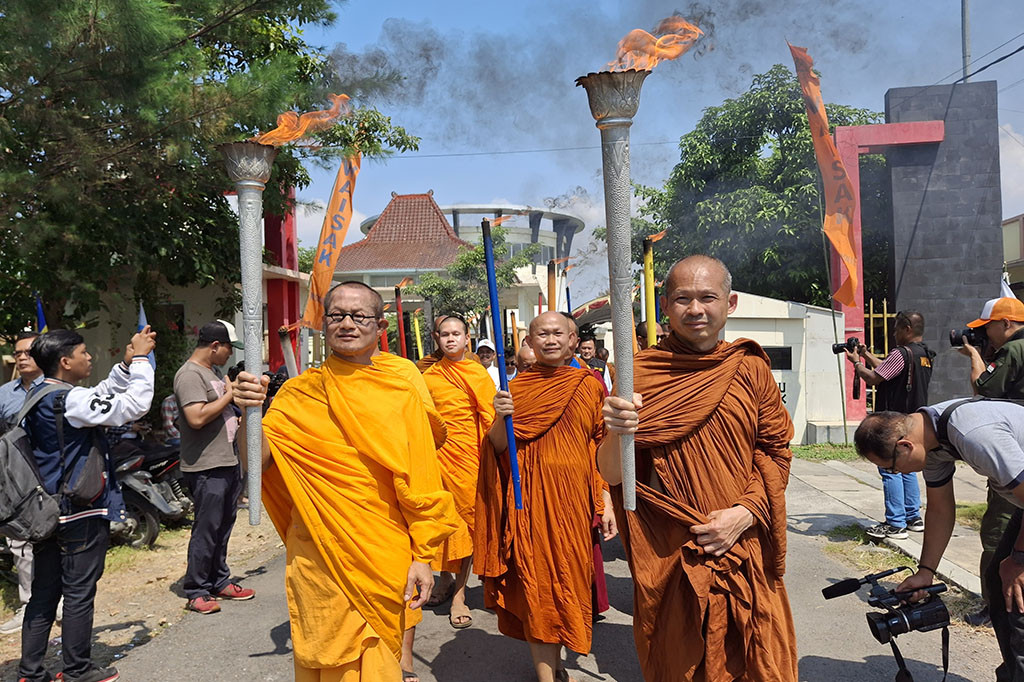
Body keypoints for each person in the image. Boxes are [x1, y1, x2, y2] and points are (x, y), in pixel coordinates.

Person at [232, 281, 460, 681]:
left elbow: (422, 480)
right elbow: (257, 463)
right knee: (326, 660)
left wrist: (423, 556)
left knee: (379, 661)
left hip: (382, 548)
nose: (347, 324)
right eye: (337, 315)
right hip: (318, 552)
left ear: (380, 325)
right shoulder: (298, 395)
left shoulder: (400, 390)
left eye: (359, 316)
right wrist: (248, 413)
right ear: (324, 324)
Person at [600, 255, 797, 682]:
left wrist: (742, 514)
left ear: (731, 303)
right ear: (665, 306)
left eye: (708, 297)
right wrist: (617, 431)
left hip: (741, 541)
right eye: (683, 299)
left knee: (756, 658)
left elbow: (776, 454)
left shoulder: (751, 369)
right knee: (681, 663)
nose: (696, 310)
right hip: (672, 549)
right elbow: (614, 475)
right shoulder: (640, 377)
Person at [476, 311, 613, 682]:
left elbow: (600, 445)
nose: (550, 340)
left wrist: (606, 498)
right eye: (542, 334)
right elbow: (496, 450)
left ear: (573, 340)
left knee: (568, 583)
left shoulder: (589, 384)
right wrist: (501, 418)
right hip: (529, 505)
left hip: (574, 504)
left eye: (558, 333)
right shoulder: (515, 390)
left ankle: (556, 661)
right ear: (530, 343)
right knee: (537, 586)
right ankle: (545, 675)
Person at [20, 327, 156, 682]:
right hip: (79, 511)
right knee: (79, 592)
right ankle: (77, 670)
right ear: (65, 362)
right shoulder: (69, 400)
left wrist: (124, 367)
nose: (89, 357)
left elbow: (99, 395)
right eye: (83, 352)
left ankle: (30, 673)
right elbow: (133, 405)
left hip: (47, 509)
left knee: (44, 593)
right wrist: (142, 360)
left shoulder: (40, 394)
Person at [854, 400, 1024, 682]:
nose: (899, 475)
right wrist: (925, 572)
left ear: (905, 447)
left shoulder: (974, 434)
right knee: (997, 582)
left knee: (1018, 599)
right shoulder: (931, 440)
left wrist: (1019, 560)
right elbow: (941, 509)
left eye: (893, 468)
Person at [173, 320, 253, 614]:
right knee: (206, 529)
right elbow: (196, 417)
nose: (230, 356)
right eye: (229, 348)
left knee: (223, 526)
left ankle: (219, 580)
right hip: (206, 465)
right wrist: (231, 394)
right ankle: (196, 589)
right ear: (215, 346)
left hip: (227, 460)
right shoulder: (189, 375)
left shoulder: (213, 372)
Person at [423, 314, 496, 630]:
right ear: (437, 339)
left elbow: (490, 418)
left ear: (468, 338)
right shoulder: (427, 376)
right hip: (435, 458)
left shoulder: (477, 374)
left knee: (466, 524)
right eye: (445, 335)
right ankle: (444, 578)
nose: (450, 339)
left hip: (469, 459)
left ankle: (460, 595)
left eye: (456, 334)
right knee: (440, 522)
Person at [957, 296, 1024, 627]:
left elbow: (983, 393)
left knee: (998, 532)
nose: (986, 336)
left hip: (1014, 452)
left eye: (988, 329)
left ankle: (995, 604)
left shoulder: (1013, 351)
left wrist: (974, 356)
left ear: (1007, 324)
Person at [846, 311, 933, 540]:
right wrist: (866, 354)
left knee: (890, 468)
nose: (893, 333)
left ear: (907, 328)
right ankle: (913, 517)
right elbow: (885, 370)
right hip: (913, 420)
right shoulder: (923, 354)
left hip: (892, 423)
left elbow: (874, 377)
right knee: (906, 468)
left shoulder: (900, 353)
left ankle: (895, 523)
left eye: (895, 329)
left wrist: (856, 362)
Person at [0, 332, 45, 636]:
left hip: (50, 476)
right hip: (15, 479)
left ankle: (61, 602)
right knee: (20, 544)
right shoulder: (4, 394)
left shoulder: (59, 389)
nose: (21, 357)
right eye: (17, 353)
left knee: (56, 541)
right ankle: (29, 604)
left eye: (28, 351)